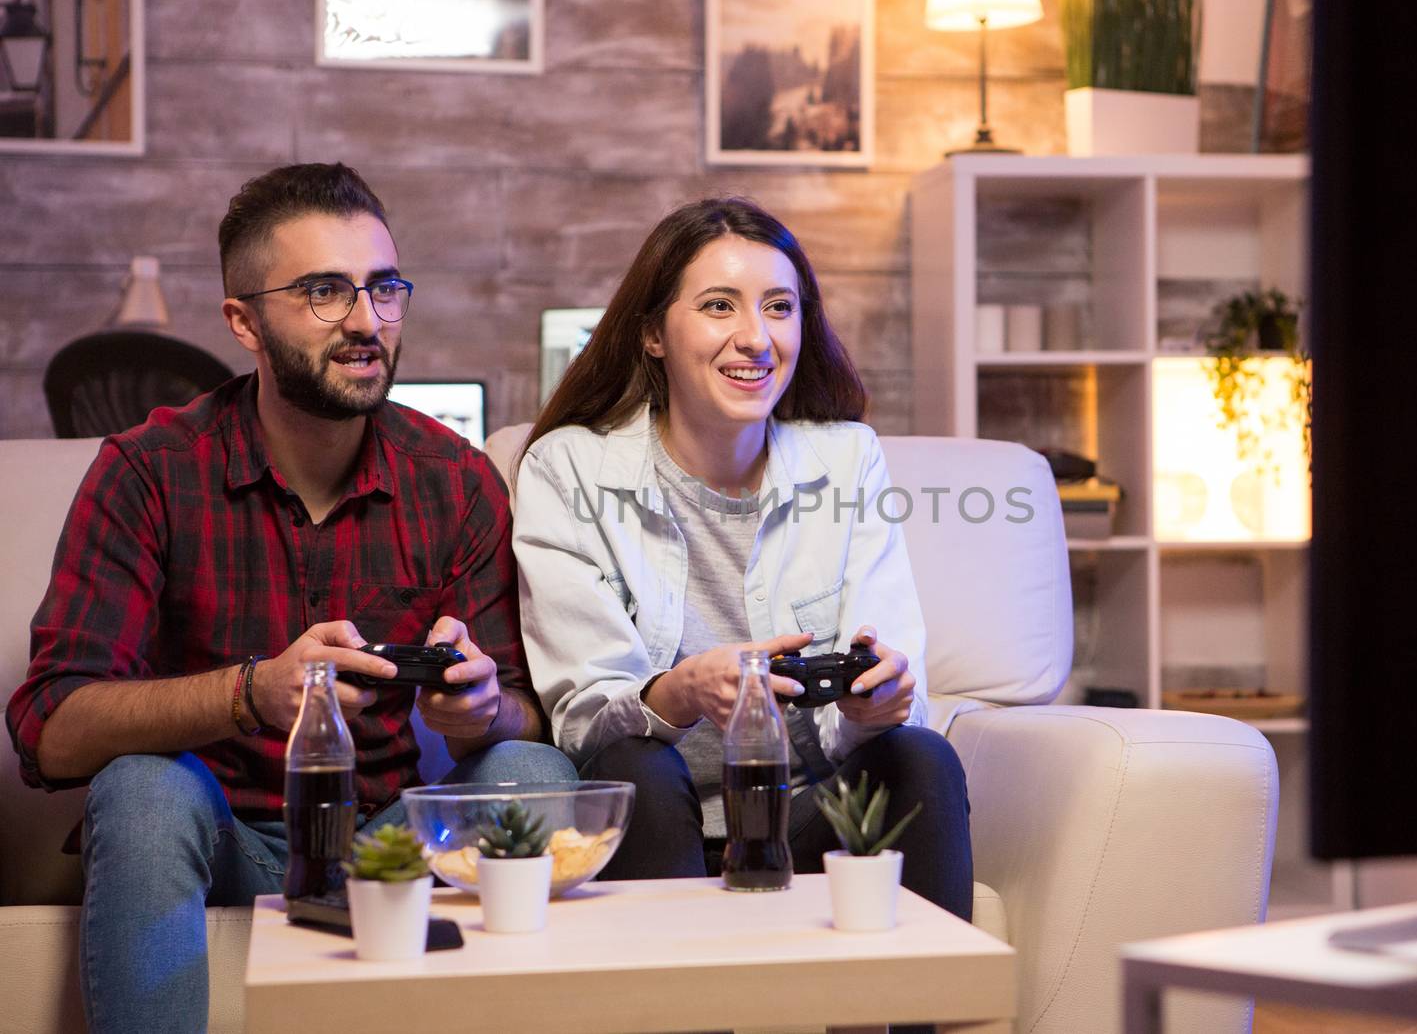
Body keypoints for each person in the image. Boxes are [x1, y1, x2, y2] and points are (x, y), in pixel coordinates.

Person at [5, 163, 575, 1034]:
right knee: (144, 790)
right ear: (244, 321)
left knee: (534, 771)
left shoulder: (454, 480)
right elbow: (50, 724)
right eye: (323, 291)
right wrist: (250, 692)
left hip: (395, 838)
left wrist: (485, 711)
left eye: (384, 289)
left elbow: (528, 716)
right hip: (220, 837)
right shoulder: (150, 472)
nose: (365, 320)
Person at [511, 197, 972, 919]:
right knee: (636, 759)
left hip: (806, 813)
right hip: (656, 822)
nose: (756, 338)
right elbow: (582, 714)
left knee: (919, 754)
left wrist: (872, 701)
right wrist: (680, 692)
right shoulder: (566, 469)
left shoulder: (848, 457)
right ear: (654, 334)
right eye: (720, 306)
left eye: (779, 308)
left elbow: (888, 656)